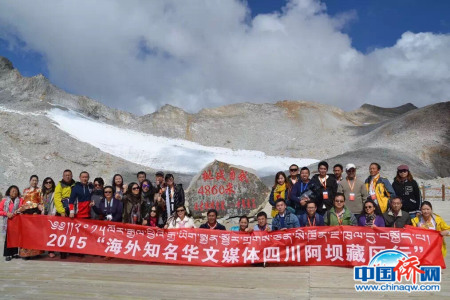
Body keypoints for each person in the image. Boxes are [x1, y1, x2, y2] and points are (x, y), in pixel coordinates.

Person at [18, 175, 44, 259]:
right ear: (30, 181)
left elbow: (41, 201)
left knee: (34, 233)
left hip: (35, 212)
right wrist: (20, 210)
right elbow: (23, 201)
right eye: (33, 180)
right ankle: (25, 253)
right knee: (25, 233)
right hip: (25, 212)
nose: (34, 182)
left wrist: (42, 210)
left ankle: (36, 253)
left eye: (36, 180)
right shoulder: (25, 190)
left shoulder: (39, 190)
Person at [53, 169, 75, 259]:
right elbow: (57, 199)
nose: (67, 176)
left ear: (72, 176)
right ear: (63, 176)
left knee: (72, 231)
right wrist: (62, 211)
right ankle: (63, 252)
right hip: (63, 210)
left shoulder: (75, 184)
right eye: (66, 175)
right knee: (62, 232)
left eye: (69, 175)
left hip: (73, 210)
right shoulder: (59, 185)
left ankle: (72, 250)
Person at [1, 185, 23, 261]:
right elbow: (0, 210)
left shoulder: (20, 200)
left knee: (15, 238)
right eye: (13, 190)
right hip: (7, 222)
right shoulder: (4, 201)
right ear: (9, 192)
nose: (14, 192)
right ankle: (8, 254)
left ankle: (14, 253)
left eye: (16, 190)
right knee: (8, 239)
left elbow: (22, 208)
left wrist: (19, 211)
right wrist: (6, 213)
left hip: (16, 222)